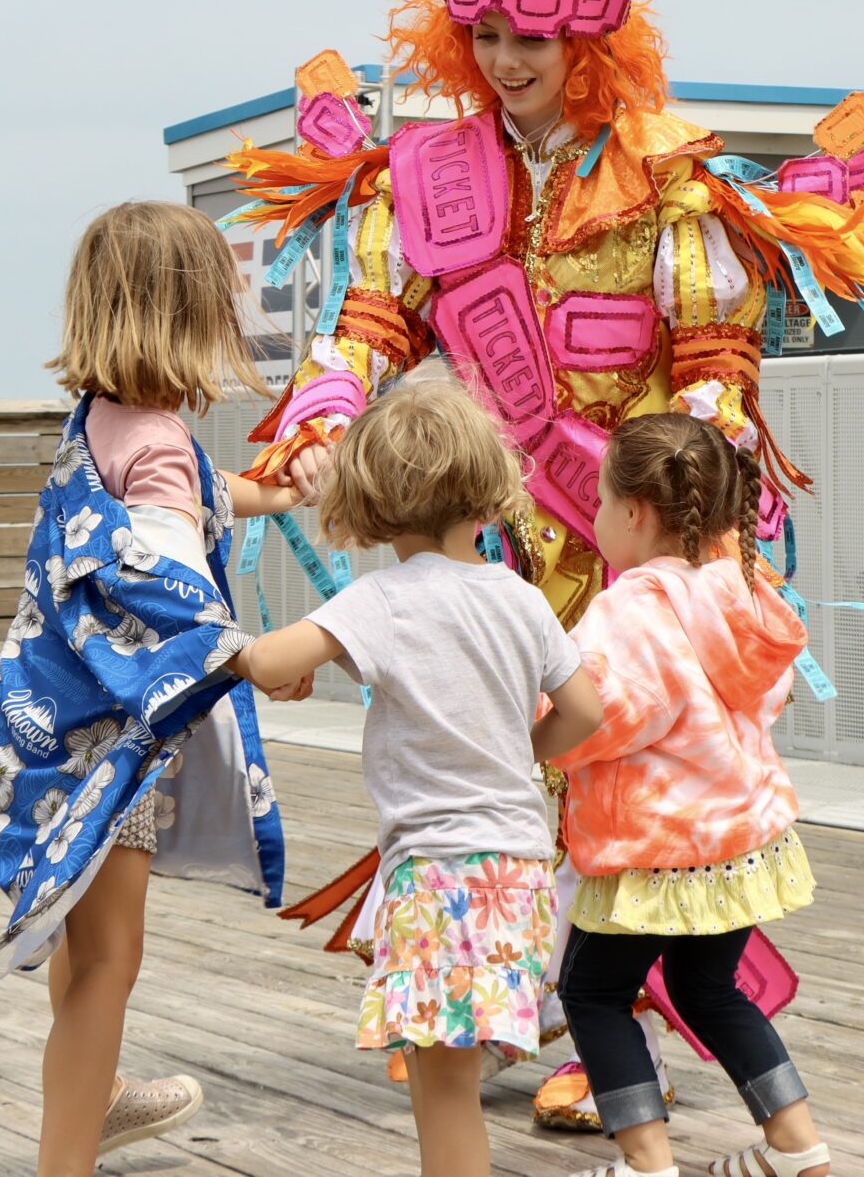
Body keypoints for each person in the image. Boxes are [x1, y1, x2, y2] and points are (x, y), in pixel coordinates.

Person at [221, 0, 864, 1128]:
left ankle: (626, 1040)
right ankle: (504, 1001)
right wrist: (309, 428)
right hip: (485, 538)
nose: (510, 56)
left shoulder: (670, 178)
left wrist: (703, 537)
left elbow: (716, 363)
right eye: (489, 30)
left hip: (634, 539)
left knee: (631, 785)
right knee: (491, 777)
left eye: (536, 32)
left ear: (590, 26)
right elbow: (367, 328)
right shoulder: (423, 172)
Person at [0, 201, 302, 1177]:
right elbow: (166, 585)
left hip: (40, 722)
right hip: (106, 740)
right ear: (189, 316)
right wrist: (257, 657)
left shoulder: (103, 421)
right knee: (112, 960)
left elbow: (193, 492)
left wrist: (285, 489)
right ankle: (64, 1158)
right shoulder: (156, 440)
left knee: (80, 935)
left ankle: (99, 1098)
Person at [229, 381, 605, 1177]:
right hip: (519, 873)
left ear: (374, 501)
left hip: (438, 875)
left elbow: (267, 661)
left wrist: (217, 643)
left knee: (445, 1090)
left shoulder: (382, 599)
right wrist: (519, 748)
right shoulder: (519, 597)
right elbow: (584, 710)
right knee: (449, 1077)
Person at [552, 414, 828, 1177]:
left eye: (601, 500)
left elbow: (600, 714)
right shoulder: (737, 588)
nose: (596, 514)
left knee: (592, 989)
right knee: (708, 988)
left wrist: (538, 726)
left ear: (636, 511)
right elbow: (766, 695)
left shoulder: (631, 609)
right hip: (738, 837)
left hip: (655, 844)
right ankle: (798, 1147)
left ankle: (647, 1163)